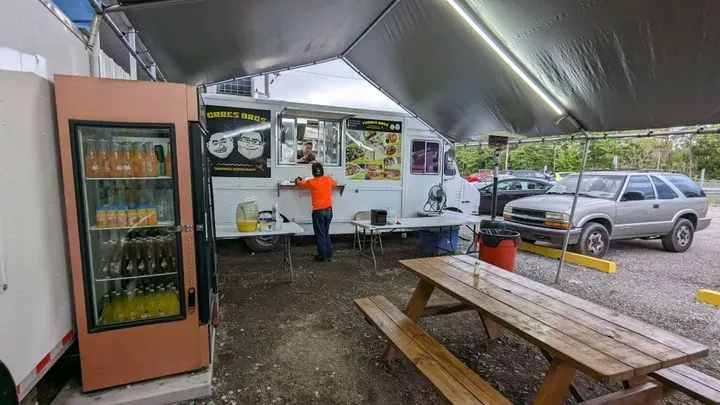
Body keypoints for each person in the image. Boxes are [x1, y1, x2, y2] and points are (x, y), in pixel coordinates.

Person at [296, 163, 336, 262]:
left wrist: (297, 180)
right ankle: (328, 254)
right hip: (329, 211)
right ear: (322, 170)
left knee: (320, 234)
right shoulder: (328, 179)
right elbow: (335, 183)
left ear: (313, 172)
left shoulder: (311, 182)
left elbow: (300, 184)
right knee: (326, 233)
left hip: (318, 212)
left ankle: (322, 257)